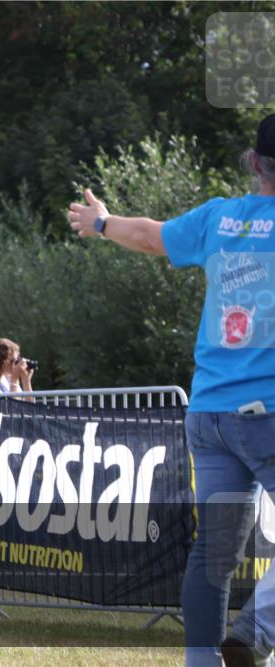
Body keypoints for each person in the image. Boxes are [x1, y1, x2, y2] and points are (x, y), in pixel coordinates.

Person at [67, 113, 275, 667]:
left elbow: (153, 236)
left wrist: (102, 221)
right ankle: (254, 634)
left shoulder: (220, 218)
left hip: (210, 412)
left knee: (213, 553)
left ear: (255, 164)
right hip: (270, 413)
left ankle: (203, 661)